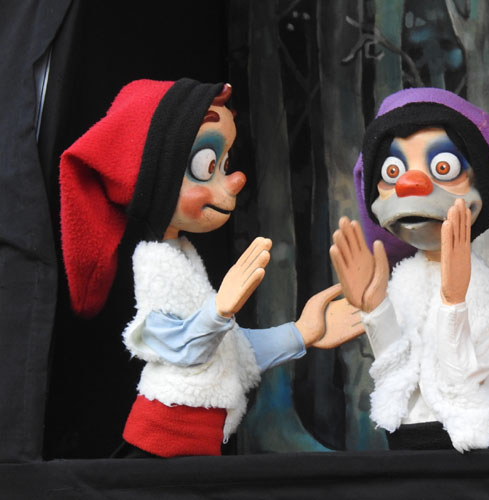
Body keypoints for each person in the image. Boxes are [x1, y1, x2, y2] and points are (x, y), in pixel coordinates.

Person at [59, 79, 361, 457]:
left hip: (197, 443)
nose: (234, 180)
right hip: (165, 441)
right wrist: (218, 312)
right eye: (207, 165)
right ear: (155, 176)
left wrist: (300, 333)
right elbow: (176, 346)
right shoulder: (155, 262)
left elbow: (227, 351)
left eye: (225, 164)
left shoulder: (183, 256)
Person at [329, 88, 489, 452]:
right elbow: (396, 368)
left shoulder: (478, 285)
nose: (410, 184)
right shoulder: (404, 278)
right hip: (405, 438)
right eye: (393, 171)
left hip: (464, 446)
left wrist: (454, 302)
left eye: (443, 168)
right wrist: (375, 309)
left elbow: (459, 383)